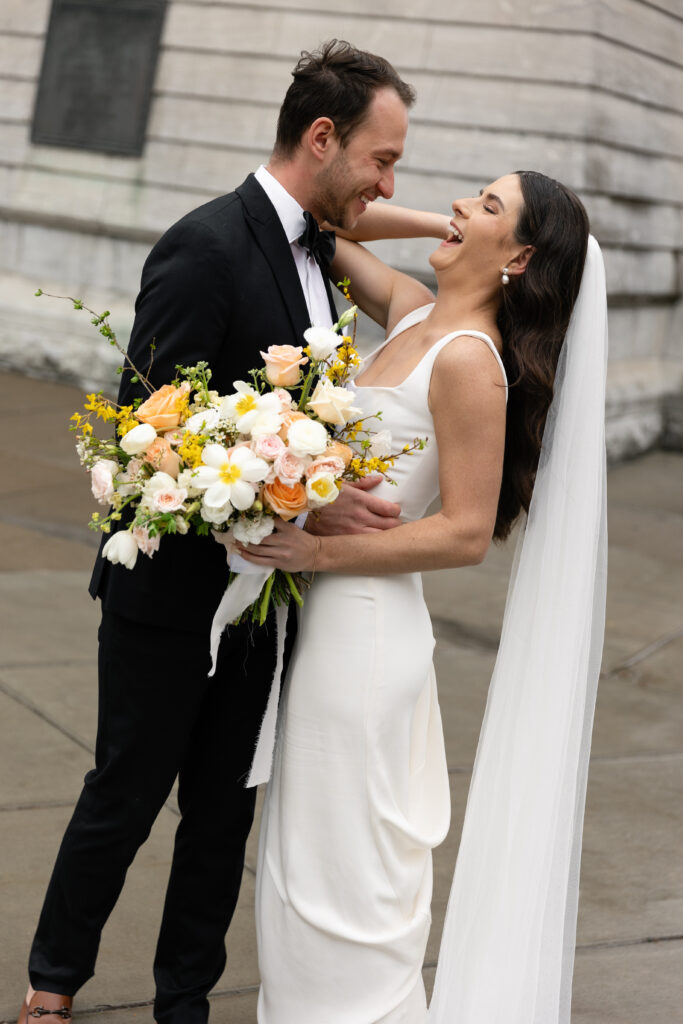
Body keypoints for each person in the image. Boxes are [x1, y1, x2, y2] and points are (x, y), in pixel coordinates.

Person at [18, 41, 416, 1024]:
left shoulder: (319, 249)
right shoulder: (205, 246)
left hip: (263, 598)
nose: (387, 182)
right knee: (125, 799)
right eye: (381, 159)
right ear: (321, 137)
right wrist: (306, 501)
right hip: (170, 598)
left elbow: (312, 385)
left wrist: (325, 478)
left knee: (220, 814)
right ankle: (49, 990)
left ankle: (183, 1003)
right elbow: (153, 439)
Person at [237, 172, 608, 1021]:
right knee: (302, 860)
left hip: (363, 635)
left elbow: (465, 533)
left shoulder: (471, 361)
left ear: (518, 257)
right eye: (468, 195)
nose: (457, 209)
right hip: (325, 617)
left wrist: (317, 555)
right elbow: (322, 225)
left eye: (485, 207)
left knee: (343, 869)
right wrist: (443, 218)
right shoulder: (408, 313)